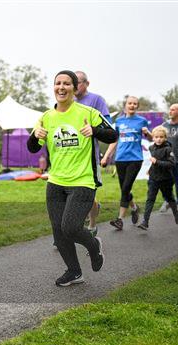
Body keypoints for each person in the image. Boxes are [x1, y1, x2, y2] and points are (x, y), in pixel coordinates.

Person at [27, 70, 117, 286]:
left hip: (83, 180)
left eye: (67, 83)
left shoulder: (88, 112)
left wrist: (94, 130)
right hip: (56, 181)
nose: (61, 87)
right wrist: (35, 135)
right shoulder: (46, 117)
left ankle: (94, 245)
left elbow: (113, 135)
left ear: (75, 89)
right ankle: (74, 272)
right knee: (59, 233)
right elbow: (32, 148)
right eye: (58, 83)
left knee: (71, 228)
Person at [101, 96, 152, 230]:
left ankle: (120, 220)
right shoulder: (119, 121)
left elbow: (152, 138)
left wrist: (147, 133)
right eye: (130, 103)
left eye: (135, 104)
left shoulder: (142, 121)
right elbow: (114, 140)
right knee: (125, 188)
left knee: (125, 188)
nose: (132, 105)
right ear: (126, 105)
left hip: (135, 159)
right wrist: (106, 156)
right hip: (120, 158)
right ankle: (134, 208)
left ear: (137, 106)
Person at [75, 71, 111, 237]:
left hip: (89, 157)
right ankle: (65, 233)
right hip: (69, 158)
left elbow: (108, 128)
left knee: (88, 196)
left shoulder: (96, 100)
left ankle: (92, 224)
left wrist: (92, 129)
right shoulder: (66, 102)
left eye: (78, 82)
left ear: (87, 83)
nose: (74, 86)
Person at [137, 126, 178, 230]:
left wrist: (157, 162)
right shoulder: (151, 148)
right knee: (150, 199)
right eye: (156, 137)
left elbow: (171, 164)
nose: (159, 139)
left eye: (161, 137)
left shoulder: (168, 149)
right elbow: (153, 162)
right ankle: (145, 222)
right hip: (153, 178)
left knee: (170, 198)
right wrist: (151, 168)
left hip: (166, 179)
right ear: (153, 138)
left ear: (165, 138)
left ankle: (176, 214)